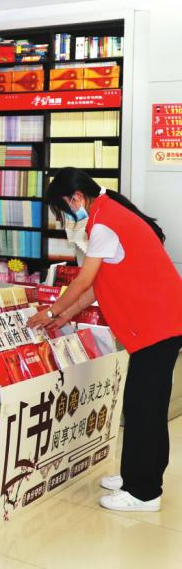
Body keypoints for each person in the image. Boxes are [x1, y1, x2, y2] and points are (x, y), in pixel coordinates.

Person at [26, 168, 182, 513]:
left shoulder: (104, 223)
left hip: (157, 326)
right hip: (161, 322)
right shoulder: (109, 212)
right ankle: (136, 476)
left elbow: (83, 281)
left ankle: (144, 493)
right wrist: (64, 315)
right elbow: (97, 287)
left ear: (76, 198)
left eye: (63, 210)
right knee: (147, 405)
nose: (66, 218)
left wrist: (51, 312)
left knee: (143, 408)